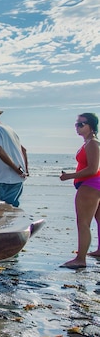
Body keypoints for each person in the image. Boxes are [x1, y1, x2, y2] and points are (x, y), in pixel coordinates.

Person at [59, 113, 100, 269]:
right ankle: (98, 251)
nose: (77, 127)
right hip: (93, 184)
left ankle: (80, 259)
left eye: (81, 124)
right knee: (97, 220)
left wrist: (70, 176)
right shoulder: (89, 142)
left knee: (83, 222)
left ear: (91, 126)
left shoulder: (92, 143)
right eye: (76, 124)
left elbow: (93, 168)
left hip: (90, 185)